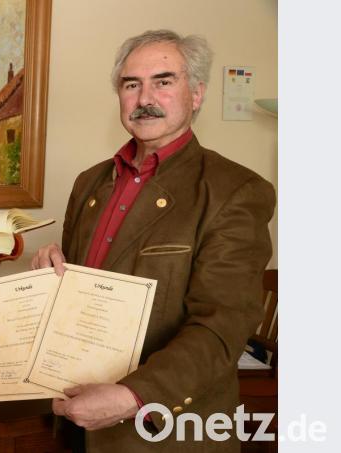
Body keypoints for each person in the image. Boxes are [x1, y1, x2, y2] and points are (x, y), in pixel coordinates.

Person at [32, 30, 275, 452]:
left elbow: (221, 329)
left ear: (196, 94)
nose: (145, 96)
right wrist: (53, 271)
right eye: (131, 84)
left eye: (163, 81)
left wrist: (132, 397)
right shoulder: (90, 182)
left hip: (165, 432)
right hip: (78, 417)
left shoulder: (235, 191)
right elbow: (84, 293)